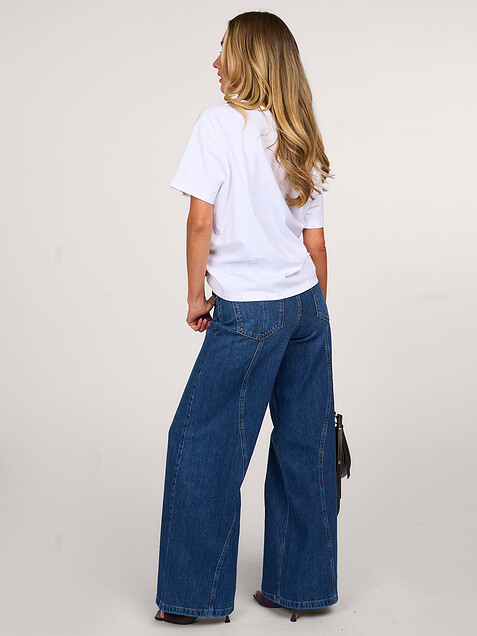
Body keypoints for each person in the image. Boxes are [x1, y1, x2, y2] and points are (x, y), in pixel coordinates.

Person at [155, 10, 338, 625]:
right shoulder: (299, 132)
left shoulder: (218, 124)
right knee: (305, 445)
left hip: (250, 311)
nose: (216, 62)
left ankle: (192, 598)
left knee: (202, 443)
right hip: (305, 305)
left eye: (225, 50)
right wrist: (311, 317)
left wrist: (195, 297)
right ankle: (301, 588)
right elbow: (316, 243)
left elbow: (199, 221)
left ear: (251, 60)